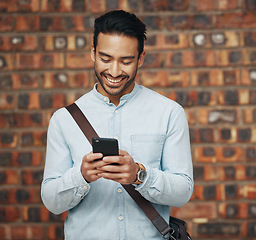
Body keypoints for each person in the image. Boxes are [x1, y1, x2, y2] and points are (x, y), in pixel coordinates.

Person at [41, 10, 194, 240]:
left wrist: (139, 175)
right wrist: (80, 176)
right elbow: (51, 201)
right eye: (105, 58)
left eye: (126, 61)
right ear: (92, 53)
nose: (114, 71)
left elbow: (183, 191)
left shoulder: (169, 113)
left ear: (141, 58)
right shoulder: (64, 119)